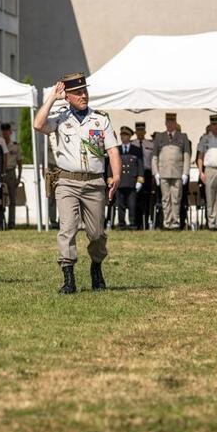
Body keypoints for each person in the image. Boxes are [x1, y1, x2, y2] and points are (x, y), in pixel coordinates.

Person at [34, 72, 121, 294]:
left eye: (85, 91)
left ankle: (96, 267)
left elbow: (112, 150)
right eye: (78, 92)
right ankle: (69, 276)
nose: (84, 95)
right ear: (68, 96)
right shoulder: (60, 118)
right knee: (68, 228)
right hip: (67, 183)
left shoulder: (100, 119)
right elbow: (38, 124)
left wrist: (116, 176)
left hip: (94, 183)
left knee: (97, 233)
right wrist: (53, 97)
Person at [152, 112, 190, 230]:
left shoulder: (183, 136)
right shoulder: (159, 137)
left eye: (172, 122)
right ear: (165, 123)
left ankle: (175, 222)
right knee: (165, 198)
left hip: (177, 172)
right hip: (163, 172)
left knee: (176, 198)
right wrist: (156, 173)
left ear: (175, 123)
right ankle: (167, 222)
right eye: (168, 122)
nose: (169, 124)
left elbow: (186, 155)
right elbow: (154, 156)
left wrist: (185, 173)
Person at [111, 126, 144, 229]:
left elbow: (140, 165)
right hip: (120, 180)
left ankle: (132, 224)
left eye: (126, 135)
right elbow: (110, 165)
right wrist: (110, 178)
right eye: (122, 135)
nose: (124, 137)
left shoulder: (136, 150)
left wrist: (140, 179)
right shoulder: (117, 149)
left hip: (131, 180)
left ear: (130, 137)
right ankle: (121, 224)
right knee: (120, 205)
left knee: (132, 204)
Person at [133, 122, 155, 230]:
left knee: (146, 199)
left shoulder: (150, 144)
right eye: (138, 131)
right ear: (135, 132)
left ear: (145, 132)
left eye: (142, 131)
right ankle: (136, 223)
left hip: (147, 173)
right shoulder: (132, 144)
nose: (140, 133)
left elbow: (154, 160)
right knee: (136, 199)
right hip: (135, 174)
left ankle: (146, 222)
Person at [0, 122, 22, 228]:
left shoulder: (15, 146)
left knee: (12, 199)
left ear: (10, 132)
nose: (5, 133)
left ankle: (11, 223)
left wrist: (19, 177)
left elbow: (19, 162)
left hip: (12, 172)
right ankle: (1, 222)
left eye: (7, 130)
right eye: (3, 131)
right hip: (2, 172)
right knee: (1, 199)